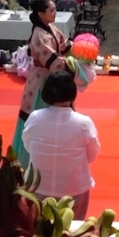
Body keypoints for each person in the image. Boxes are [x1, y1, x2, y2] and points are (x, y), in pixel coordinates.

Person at [22, 70, 100, 220]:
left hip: (37, 188)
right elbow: (92, 155)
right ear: (72, 92)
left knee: (38, 231)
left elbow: (28, 146)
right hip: (74, 189)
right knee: (70, 233)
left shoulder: (35, 117)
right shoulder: (84, 122)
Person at [11, 0, 72, 168]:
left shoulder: (50, 28)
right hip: (41, 81)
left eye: (55, 9)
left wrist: (82, 49)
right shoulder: (39, 35)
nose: (55, 13)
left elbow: (65, 44)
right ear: (40, 13)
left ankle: (50, 158)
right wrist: (73, 66)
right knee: (35, 120)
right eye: (51, 10)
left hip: (51, 77)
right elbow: (53, 62)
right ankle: (27, 162)